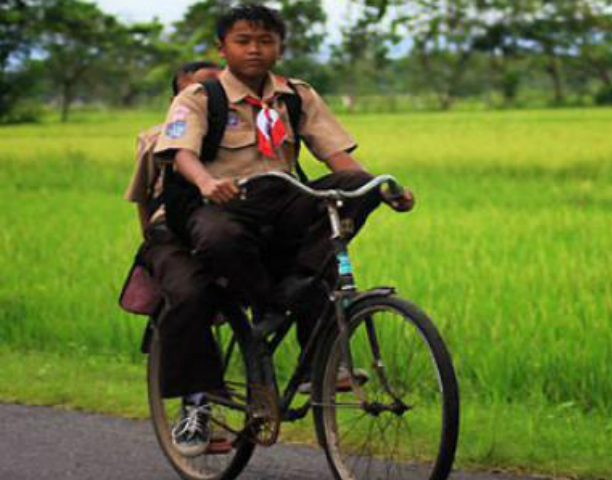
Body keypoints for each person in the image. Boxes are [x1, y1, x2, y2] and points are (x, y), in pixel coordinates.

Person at [152, 4, 413, 456]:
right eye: (243, 41)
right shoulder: (200, 97)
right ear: (223, 48)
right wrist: (208, 182)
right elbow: (181, 153)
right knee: (218, 240)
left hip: (284, 199)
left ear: (280, 47)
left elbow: (337, 157)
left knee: (355, 188)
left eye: (266, 41)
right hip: (224, 203)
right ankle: (267, 304)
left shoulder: (295, 95)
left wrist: (382, 187)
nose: (256, 49)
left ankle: (299, 287)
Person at [124, 61, 226, 457]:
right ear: (176, 100)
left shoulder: (244, 132)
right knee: (189, 298)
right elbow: (146, 203)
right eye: (193, 92)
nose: (206, 99)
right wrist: (154, 246)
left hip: (230, 230)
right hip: (176, 235)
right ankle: (195, 404)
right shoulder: (156, 139)